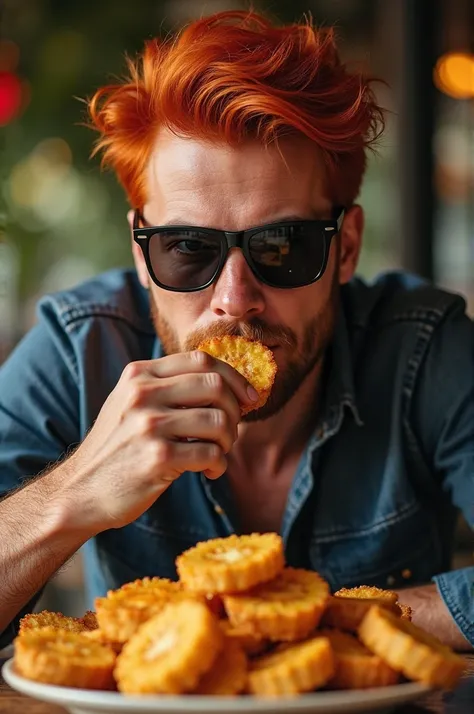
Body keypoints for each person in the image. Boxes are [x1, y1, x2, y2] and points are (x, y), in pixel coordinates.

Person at [0, 9, 473, 652]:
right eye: (188, 248)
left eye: (283, 246)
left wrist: (336, 622)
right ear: (142, 253)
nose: (234, 302)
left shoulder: (427, 350)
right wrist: (75, 491)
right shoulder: (76, 352)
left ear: (347, 247)